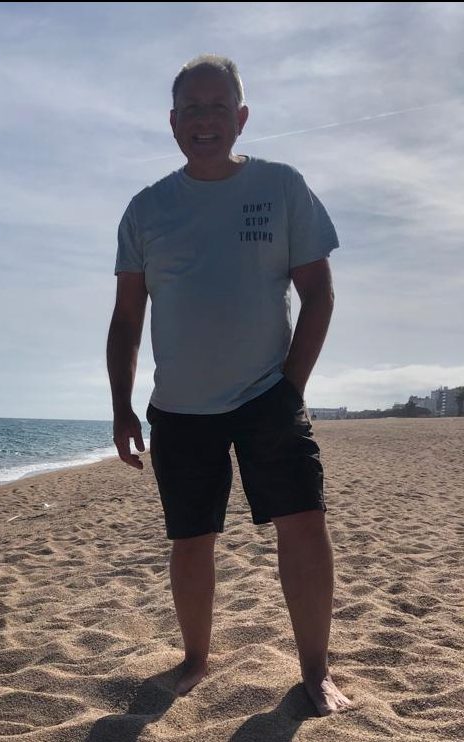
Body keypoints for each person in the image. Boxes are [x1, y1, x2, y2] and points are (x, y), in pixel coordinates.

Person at [106, 54, 352, 716]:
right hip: (179, 409)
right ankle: (195, 658)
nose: (205, 121)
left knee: (303, 524)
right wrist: (121, 407)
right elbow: (128, 319)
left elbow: (319, 294)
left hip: (267, 394)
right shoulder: (147, 209)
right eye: (192, 109)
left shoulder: (282, 187)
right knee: (191, 538)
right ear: (172, 122)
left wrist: (291, 388)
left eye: (218, 108)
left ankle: (315, 670)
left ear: (240, 117)